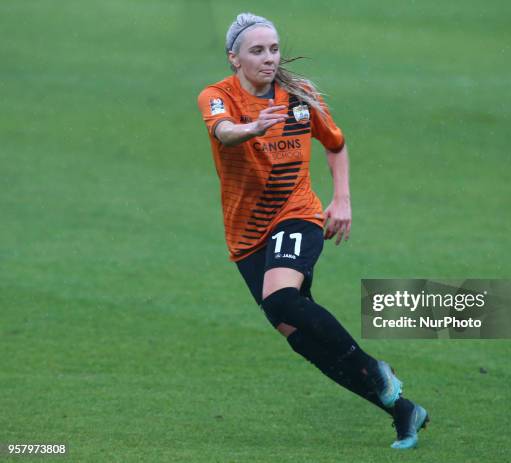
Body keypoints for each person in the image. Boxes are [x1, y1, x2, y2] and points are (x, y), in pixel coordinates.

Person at [197, 12, 428, 449]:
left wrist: (341, 200)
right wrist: (254, 127)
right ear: (234, 58)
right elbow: (223, 133)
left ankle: (377, 370)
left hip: (298, 213)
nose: (269, 58)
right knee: (300, 337)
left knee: (281, 296)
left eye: (274, 49)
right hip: (246, 236)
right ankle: (402, 410)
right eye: (257, 51)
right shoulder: (216, 96)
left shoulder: (299, 98)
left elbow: (336, 145)